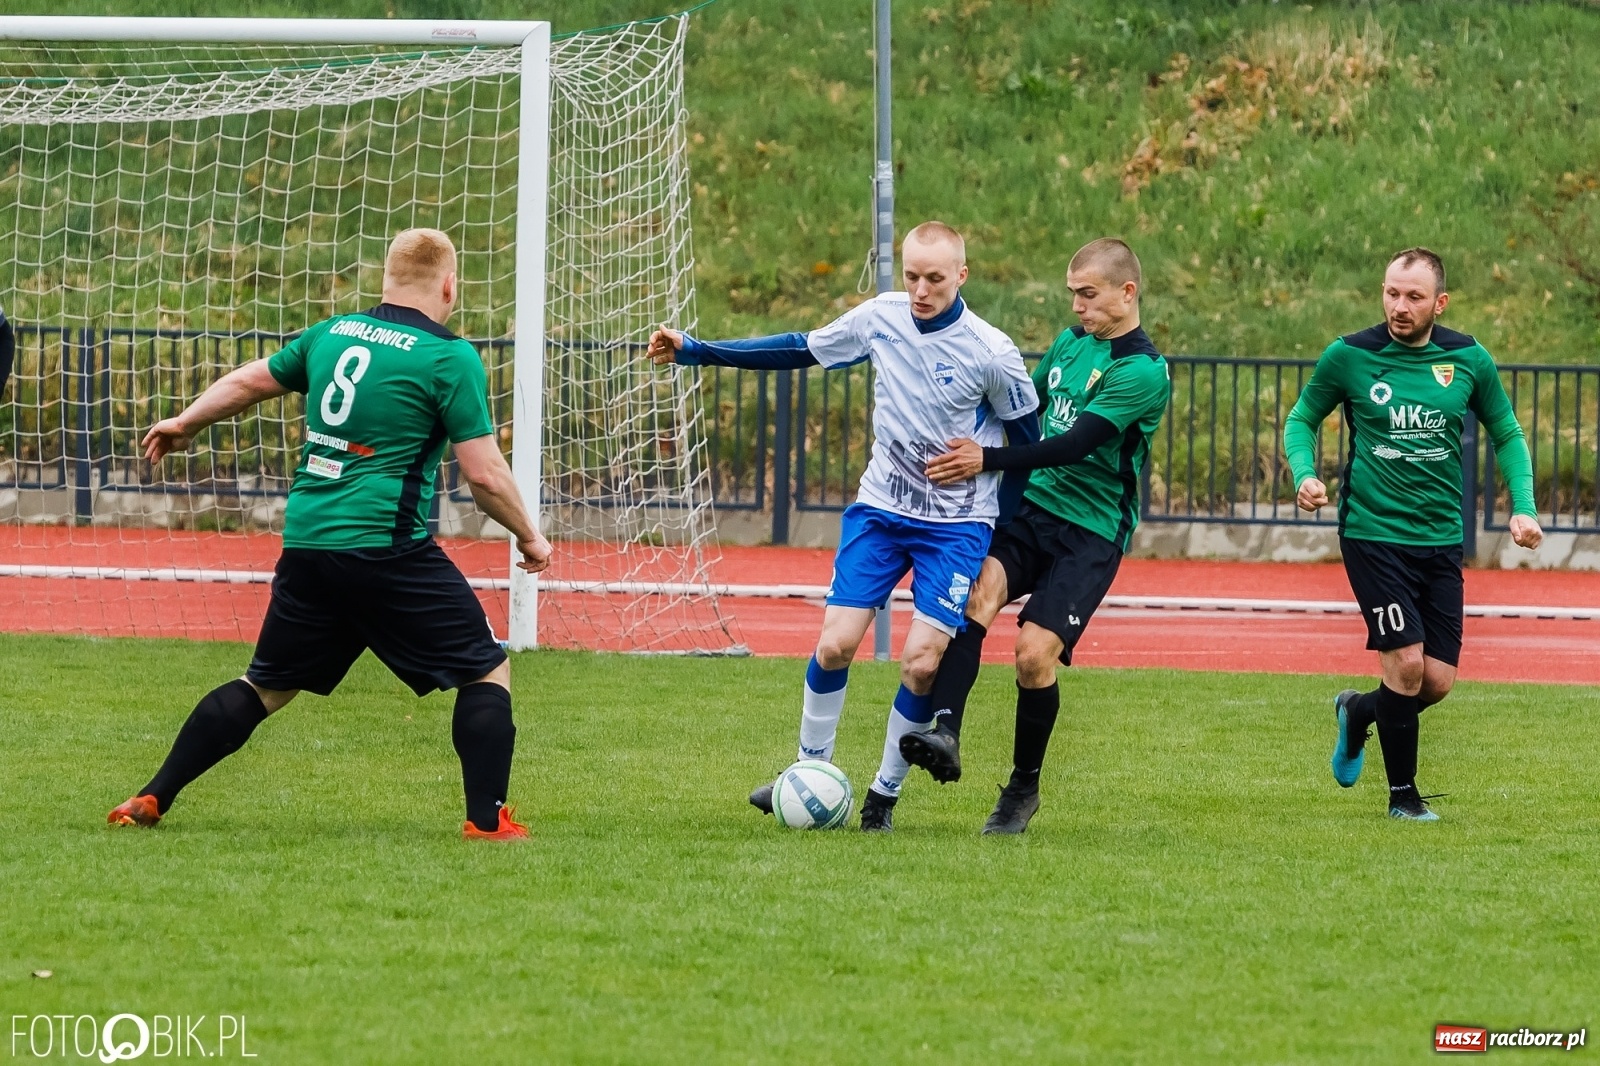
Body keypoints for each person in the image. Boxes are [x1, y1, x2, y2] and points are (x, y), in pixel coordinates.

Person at [107, 228, 552, 841]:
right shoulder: (448, 356)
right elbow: (483, 474)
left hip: (309, 545)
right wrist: (531, 536)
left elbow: (248, 381)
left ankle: (154, 794)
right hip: (383, 547)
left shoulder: (333, 333)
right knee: (485, 673)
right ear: (450, 285)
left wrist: (186, 421)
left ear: (385, 279)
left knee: (264, 686)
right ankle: (487, 822)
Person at [647, 221, 1039, 831]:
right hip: (881, 510)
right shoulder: (881, 316)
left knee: (920, 664)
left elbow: (1026, 444)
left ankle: (883, 798)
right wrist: (698, 348)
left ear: (961, 275)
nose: (920, 290)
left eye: (934, 278)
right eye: (911, 276)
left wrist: (1001, 529)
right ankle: (808, 774)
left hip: (957, 526)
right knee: (834, 644)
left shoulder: (992, 352)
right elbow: (801, 347)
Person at [909, 238, 1169, 834]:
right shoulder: (1069, 344)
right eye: (1073, 294)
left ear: (1126, 293)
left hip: (1090, 533)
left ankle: (1022, 789)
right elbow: (1024, 411)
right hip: (1031, 511)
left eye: (1088, 294)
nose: (1077, 306)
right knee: (976, 600)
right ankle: (945, 731)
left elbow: (1075, 444)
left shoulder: (1143, 371)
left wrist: (987, 459)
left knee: (1032, 657)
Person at [1285, 247, 1542, 821]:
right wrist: (1305, 473)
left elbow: (1507, 430)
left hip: (1440, 539)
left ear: (1439, 302)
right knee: (1404, 665)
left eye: (1414, 297)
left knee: (1437, 681)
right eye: (1391, 293)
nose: (1400, 307)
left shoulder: (1468, 358)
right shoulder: (1349, 355)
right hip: (1373, 534)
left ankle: (1358, 714)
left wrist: (1523, 507)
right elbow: (1302, 417)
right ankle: (1404, 799)